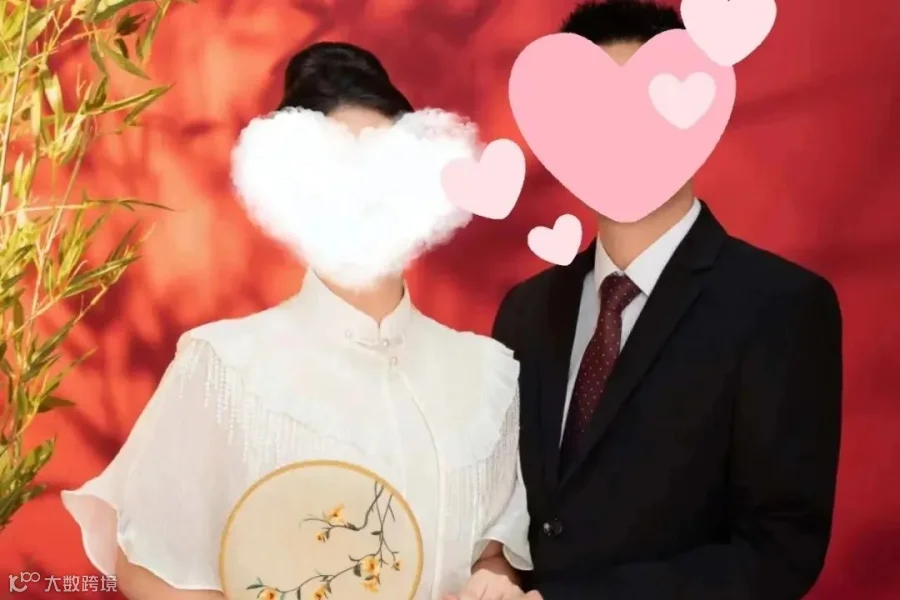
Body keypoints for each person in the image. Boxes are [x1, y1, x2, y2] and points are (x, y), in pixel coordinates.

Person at [62, 42, 529, 600]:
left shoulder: (487, 373)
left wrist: (495, 578)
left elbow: (496, 551)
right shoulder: (225, 364)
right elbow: (150, 565)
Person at [492, 2, 843, 599]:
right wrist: (497, 563)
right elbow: (509, 497)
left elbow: (778, 550)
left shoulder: (780, 307)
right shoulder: (525, 311)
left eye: (645, 109)